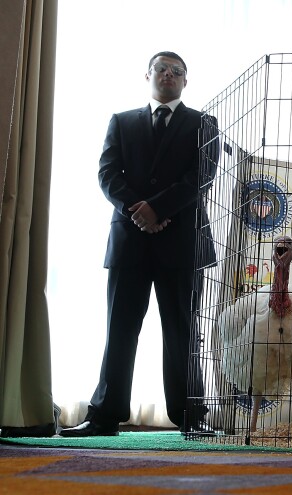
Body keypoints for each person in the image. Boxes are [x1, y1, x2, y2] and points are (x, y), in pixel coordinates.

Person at [60, 51, 218, 437]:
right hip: (129, 242)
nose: (169, 74)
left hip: (182, 244)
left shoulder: (204, 123)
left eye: (177, 71)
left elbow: (201, 175)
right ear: (148, 75)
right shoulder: (121, 121)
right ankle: (104, 416)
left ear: (186, 81)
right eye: (162, 68)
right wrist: (139, 211)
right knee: (119, 329)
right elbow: (107, 174)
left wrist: (158, 209)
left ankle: (191, 416)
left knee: (182, 332)